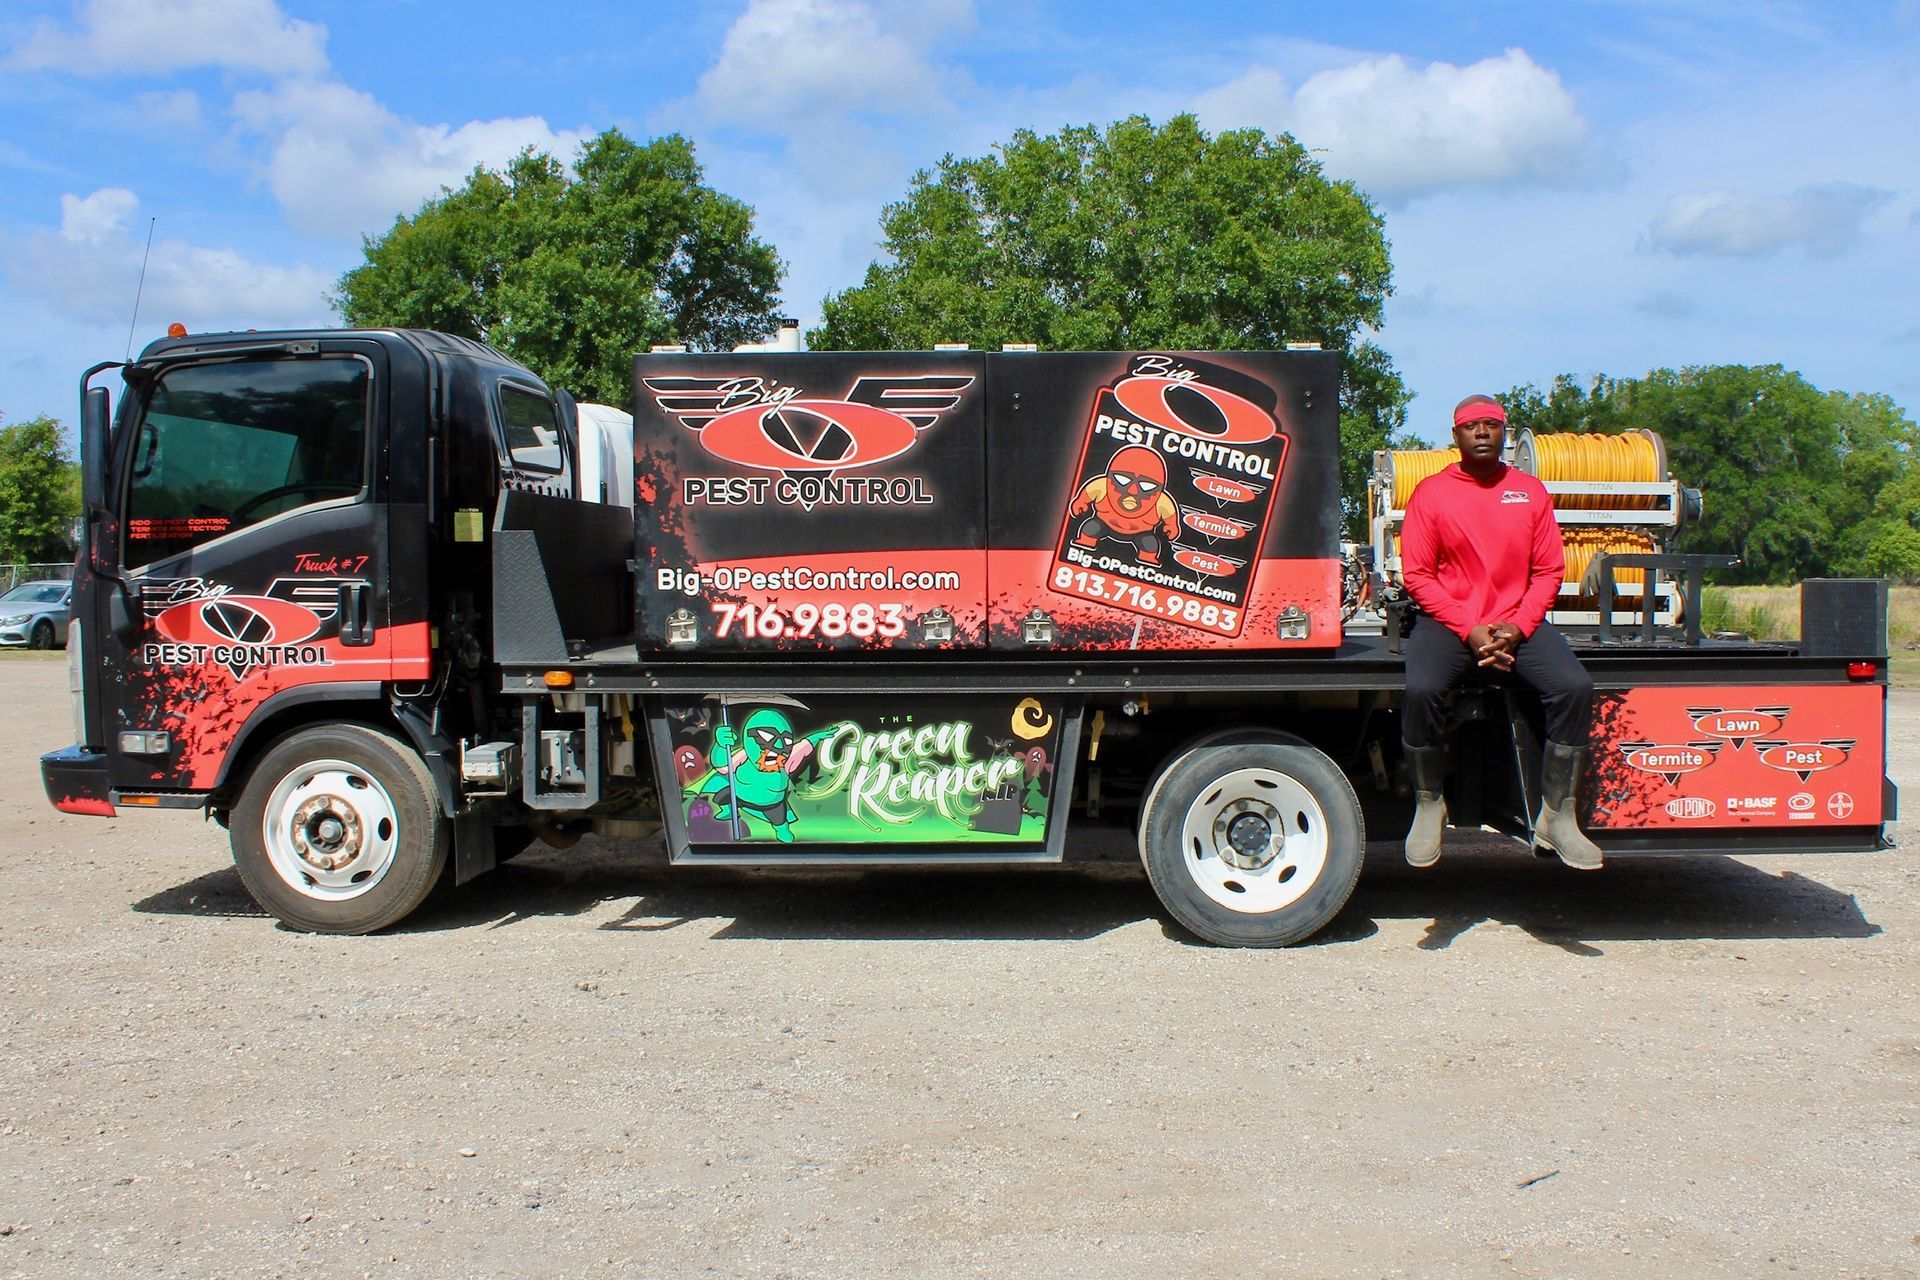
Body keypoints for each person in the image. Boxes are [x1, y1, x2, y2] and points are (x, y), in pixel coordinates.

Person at [1398, 394, 1602, 870]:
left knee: (1574, 687)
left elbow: (1550, 569)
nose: (1484, 432)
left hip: (1517, 622)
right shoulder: (1431, 493)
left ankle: (1558, 814)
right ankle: (1429, 803)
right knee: (1421, 689)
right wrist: (1470, 629)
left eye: (1492, 424)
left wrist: (1518, 626)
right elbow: (1419, 575)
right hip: (1451, 623)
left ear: (1505, 433)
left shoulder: (1530, 491)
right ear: (1456, 437)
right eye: (1472, 426)